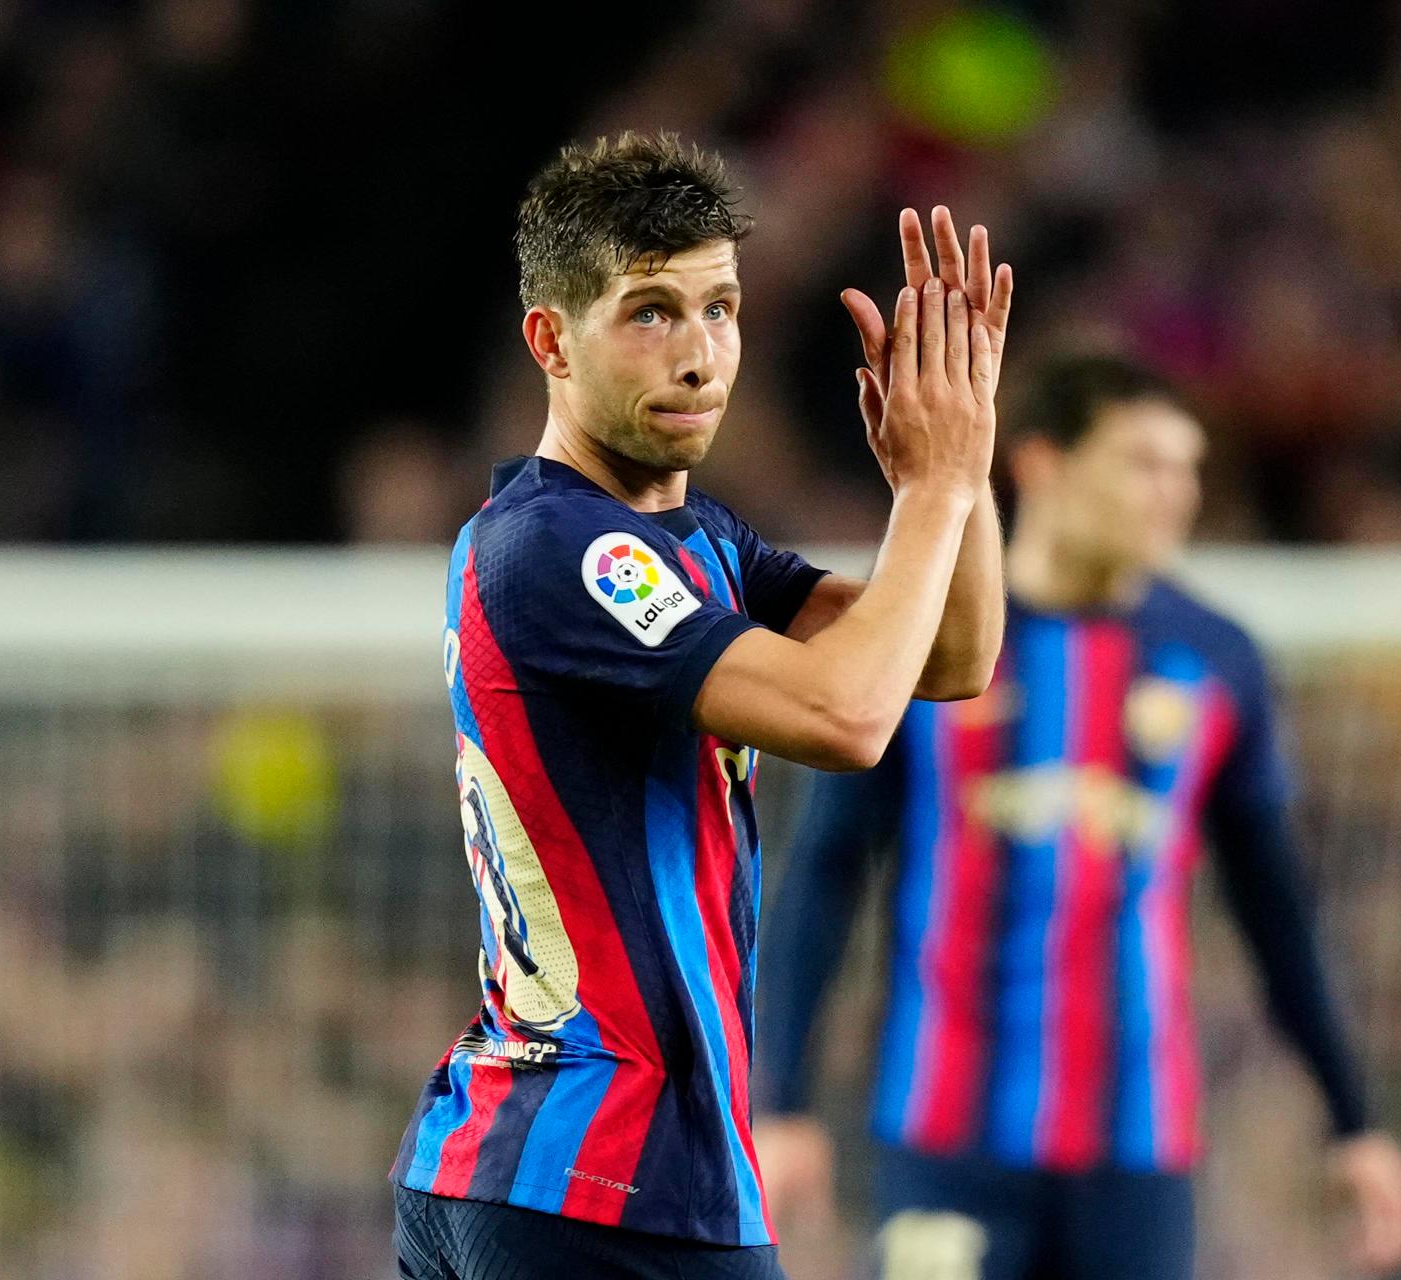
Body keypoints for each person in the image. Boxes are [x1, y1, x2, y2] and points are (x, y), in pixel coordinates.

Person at [389, 131, 1013, 1280]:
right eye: (650, 311)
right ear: (551, 340)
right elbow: (848, 718)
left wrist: (961, 477)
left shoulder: (692, 540)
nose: (698, 353)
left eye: (719, 308)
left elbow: (947, 658)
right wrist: (929, 490)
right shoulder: (560, 548)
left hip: (564, 1174)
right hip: (606, 1177)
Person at [754, 354, 1401, 1280]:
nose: (1175, 495)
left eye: (1188, 470)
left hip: (1137, 1151)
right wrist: (782, 1102)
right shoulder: (926, 644)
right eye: (1144, 464)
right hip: (949, 1135)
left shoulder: (1216, 661)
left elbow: (1277, 911)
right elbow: (826, 875)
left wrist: (1357, 1124)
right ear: (1042, 466)